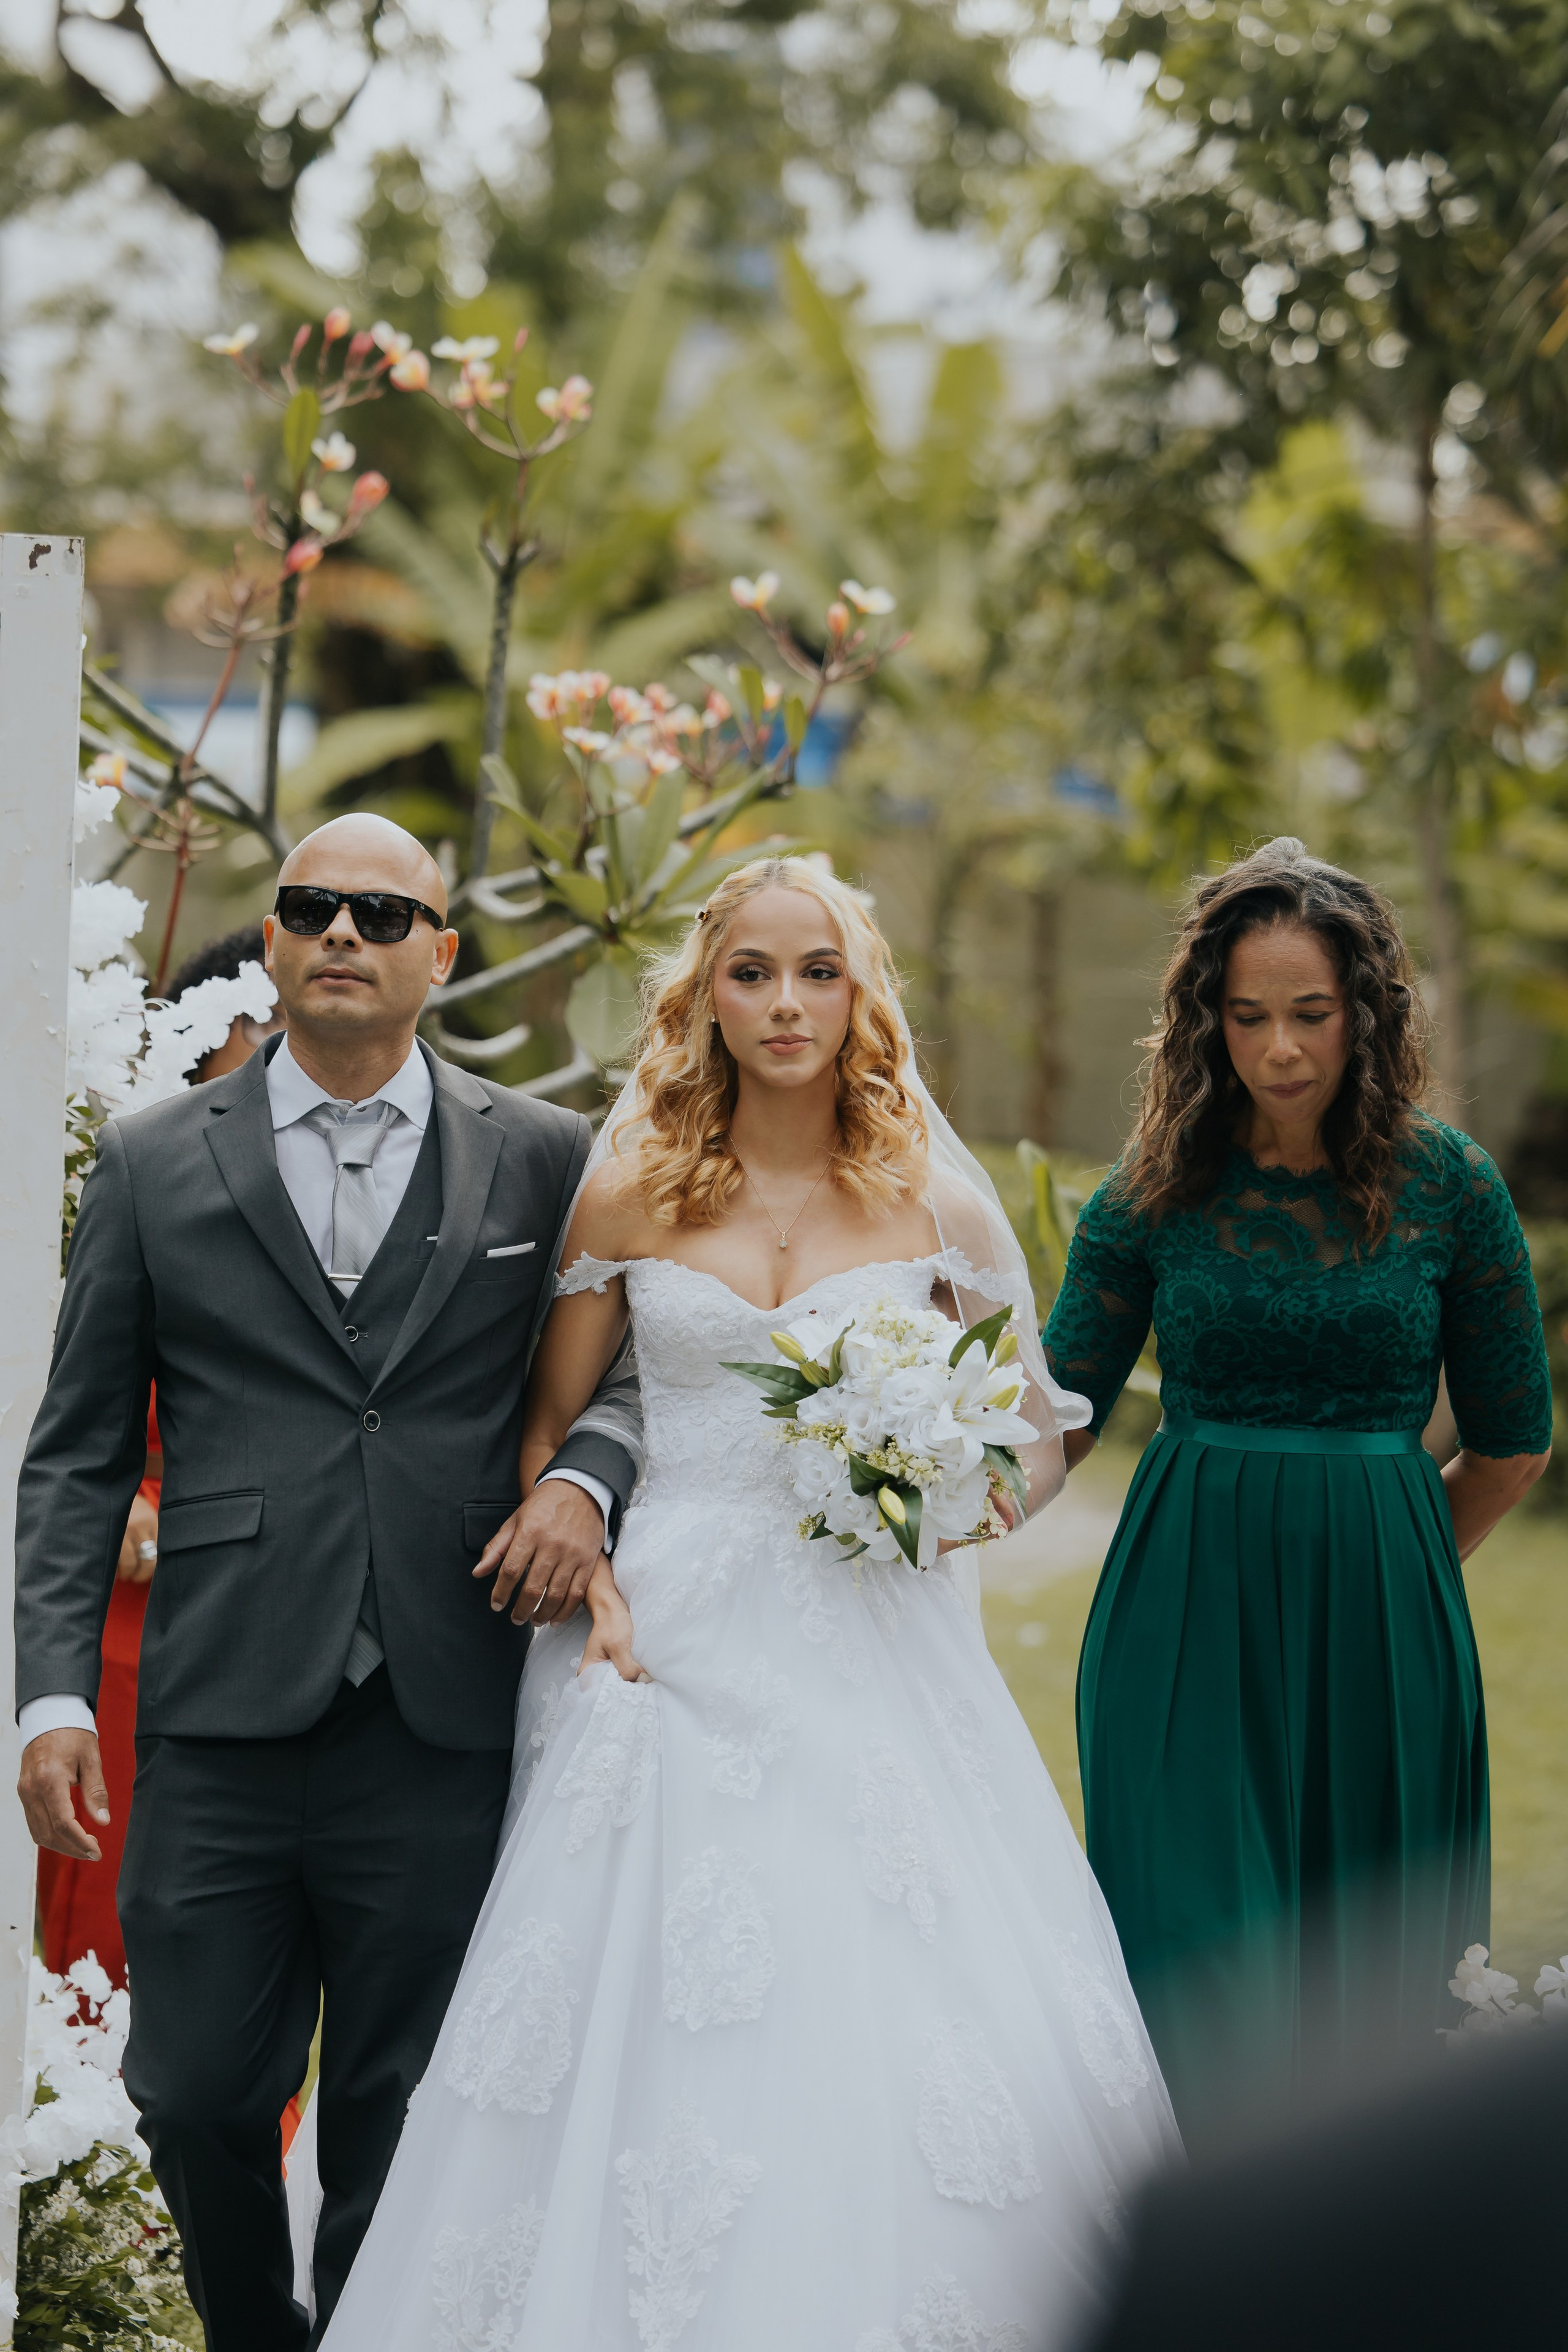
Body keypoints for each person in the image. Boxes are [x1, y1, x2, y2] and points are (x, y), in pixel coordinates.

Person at [318, 856, 1179, 2352]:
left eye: (817, 973)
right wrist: (583, 1561)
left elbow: (1034, 1435)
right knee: (633, 1989)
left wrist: (930, 1503)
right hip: (667, 1640)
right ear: (703, 998)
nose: (785, 1005)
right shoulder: (631, 1184)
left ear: (861, 996)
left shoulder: (932, 1201)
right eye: (751, 974)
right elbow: (549, 1429)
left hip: (870, 1645)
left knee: (890, 1975)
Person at [13, 813, 645, 2350]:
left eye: (381, 911)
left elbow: (638, 1373)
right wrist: (44, 1691)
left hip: (447, 1695)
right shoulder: (164, 1160)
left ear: (441, 951)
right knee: (194, 2090)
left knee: (400, 2102)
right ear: (279, 940)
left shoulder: (546, 1153)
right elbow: (79, 1452)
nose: (343, 933)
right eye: (311, 908)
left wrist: (581, 1478)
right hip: (223, 1699)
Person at [1043, 839, 1553, 2141]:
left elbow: (1509, 1444)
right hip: (1181, 1617)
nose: (1278, 1048)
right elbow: (1052, 1422)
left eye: (1309, 1015)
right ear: (1203, 1021)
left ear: (1365, 1016)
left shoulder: (1451, 1189)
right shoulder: (1150, 1190)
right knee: (1185, 1951)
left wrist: (1393, 1568)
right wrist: (898, 1490)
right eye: (1248, 1015)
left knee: (1374, 1982)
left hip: (1387, 1619)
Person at [36, 926, 284, 1989]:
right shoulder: (138, 1192)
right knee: (118, 1956)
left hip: (316, 1631)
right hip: (145, 1618)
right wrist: (136, 1504)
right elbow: (75, 1428)